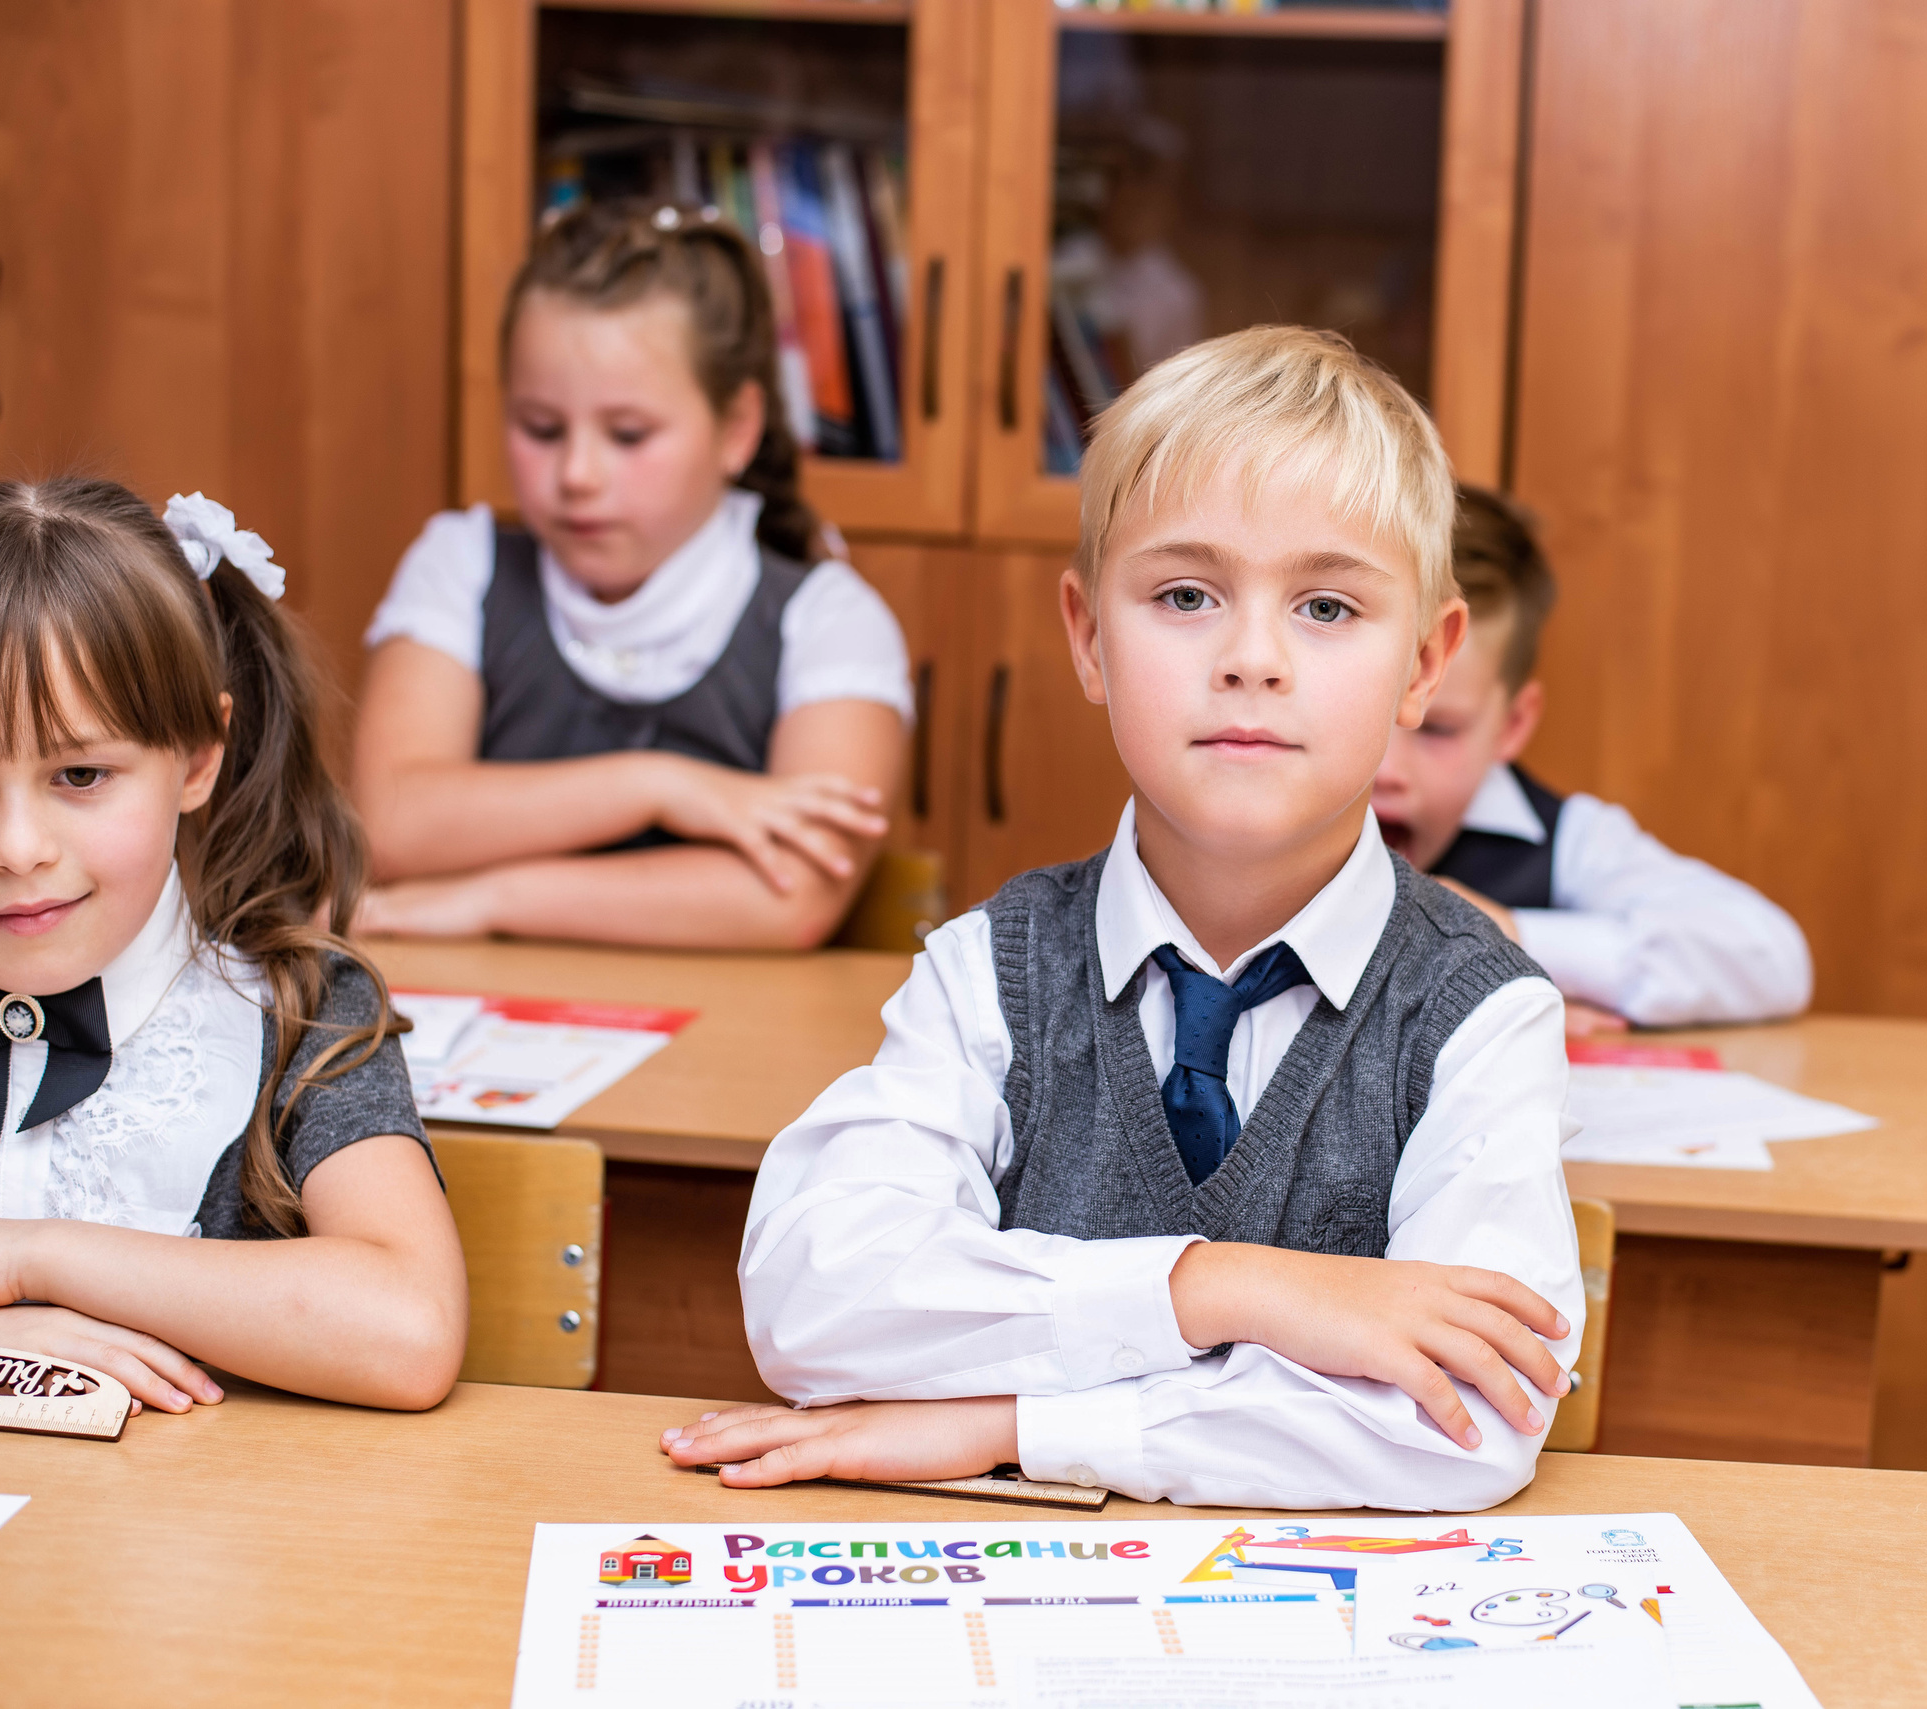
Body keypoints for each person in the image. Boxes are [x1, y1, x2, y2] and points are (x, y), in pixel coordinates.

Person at [668, 328, 1582, 1511]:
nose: (1251, 658)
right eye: (1185, 595)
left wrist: (1014, 1423)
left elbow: (1467, 1419)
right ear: (1090, 636)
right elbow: (812, 1296)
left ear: (1424, 663)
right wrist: (1223, 1288)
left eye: (1326, 605)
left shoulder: (1482, 1013)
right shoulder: (987, 969)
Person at [0, 481, 465, 1412]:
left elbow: (409, 1329)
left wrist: (30, 1259)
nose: (16, 849)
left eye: (80, 774)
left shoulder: (297, 1008)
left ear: (197, 758)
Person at [354, 200, 910, 950]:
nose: (577, 474)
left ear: (737, 429)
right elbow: (389, 823)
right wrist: (659, 786)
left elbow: (794, 897)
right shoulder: (460, 563)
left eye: (628, 434)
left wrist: (491, 898)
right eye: (541, 428)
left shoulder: (830, 619)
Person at [1371, 486, 1813, 1034]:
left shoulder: (1569, 841)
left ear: (1512, 726)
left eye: (1438, 729)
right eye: (1369, 715)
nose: (1387, 771)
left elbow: (1774, 961)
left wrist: (1505, 940)